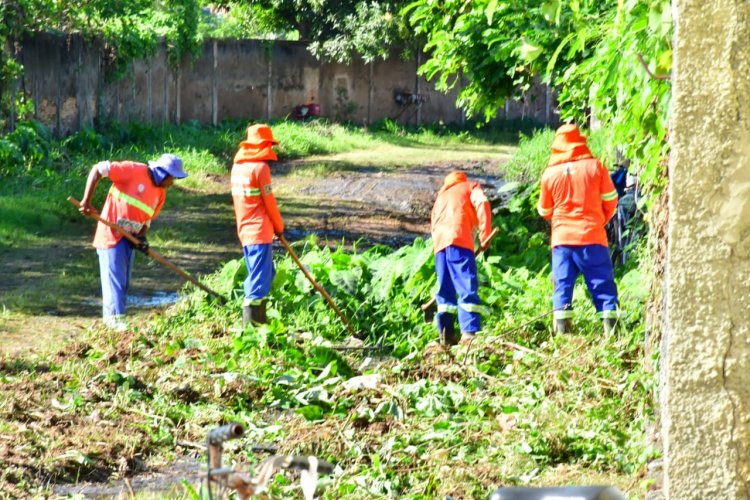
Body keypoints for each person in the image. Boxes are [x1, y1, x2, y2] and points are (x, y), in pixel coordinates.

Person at [79, 153, 188, 331]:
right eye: (172, 178)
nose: (173, 183)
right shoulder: (133, 170)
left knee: (123, 282)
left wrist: (142, 239)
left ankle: (116, 320)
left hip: (128, 239)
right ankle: (114, 320)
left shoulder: (160, 194)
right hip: (111, 233)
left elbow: (146, 220)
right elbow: (98, 169)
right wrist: (86, 201)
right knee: (114, 278)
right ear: (163, 173)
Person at [537, 124, 619, 334]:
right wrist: (599, 220)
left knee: (562, 286)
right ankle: (612, 333)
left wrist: (561, 221)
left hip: (562, 240)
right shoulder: (595, 167)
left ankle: (563, 335)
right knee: (602, 284)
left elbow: (545, 210)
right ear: (581, 141)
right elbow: (611, 200)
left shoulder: (550, 173)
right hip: (592, 236)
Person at [430, 170, 492, 348]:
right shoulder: (470, 187)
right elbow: (483, 203)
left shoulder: (441, 197)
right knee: (466, 285)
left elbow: (433, 223)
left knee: (445, 290)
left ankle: (446, 336)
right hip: (459, 239)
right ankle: (469, 333)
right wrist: (484, 234)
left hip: (440, 245)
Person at [231, 124, 284, 325]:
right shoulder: (261, 169)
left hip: (245, 229)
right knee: (258, 282)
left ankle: (260, 323)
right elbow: (269, 203)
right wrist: (279, 227)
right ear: (265, 145)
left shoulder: (237, 168)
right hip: (260, 231)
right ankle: (251, 328)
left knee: (265, 273)